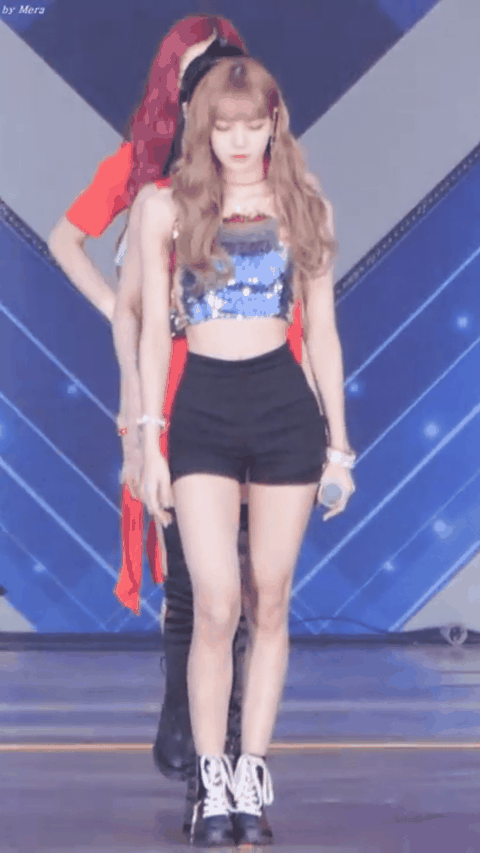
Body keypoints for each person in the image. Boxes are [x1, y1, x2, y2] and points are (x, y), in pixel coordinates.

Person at [48, 15, 258, 838]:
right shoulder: (142, 167)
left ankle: (225, 741)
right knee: (193, 575)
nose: (207, 85)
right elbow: (68, 238)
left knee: (241, 573)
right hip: (167, 387)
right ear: (174, 79)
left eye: (221, 67)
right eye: (193, 70)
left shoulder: (255, 165)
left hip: (251, 377)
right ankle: (191, 716)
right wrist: (123, 309)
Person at [138, 56, 356, 847]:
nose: (237, 140)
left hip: (283, 410)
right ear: (204, 128)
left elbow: (322, 331)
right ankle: (209, 780)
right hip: (201, 408)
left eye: (251, 125)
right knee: (214, 603)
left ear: (274, 124)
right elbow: (152, 337)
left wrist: (340, 446)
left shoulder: (302, 202)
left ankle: (250, 776)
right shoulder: (167, 206)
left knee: (270, 598)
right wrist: (148, 440)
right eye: (223, 126)